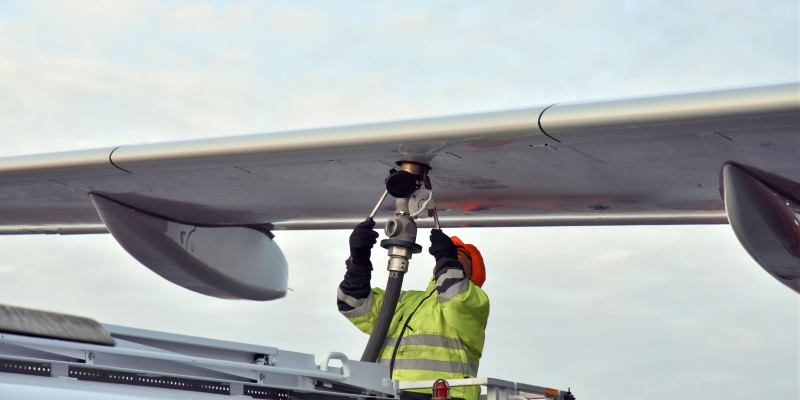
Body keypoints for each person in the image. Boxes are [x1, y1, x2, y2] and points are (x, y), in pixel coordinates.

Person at [337, 219, 489, 400]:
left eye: (459, 256)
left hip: (443, 396)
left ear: (472, 273)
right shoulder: (406, 300)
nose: (451, 258)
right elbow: (353, 304)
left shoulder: (476, 301)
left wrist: (447, 260)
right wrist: (358, 262)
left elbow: (455, 298)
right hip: (390, 393)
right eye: (451, 255)